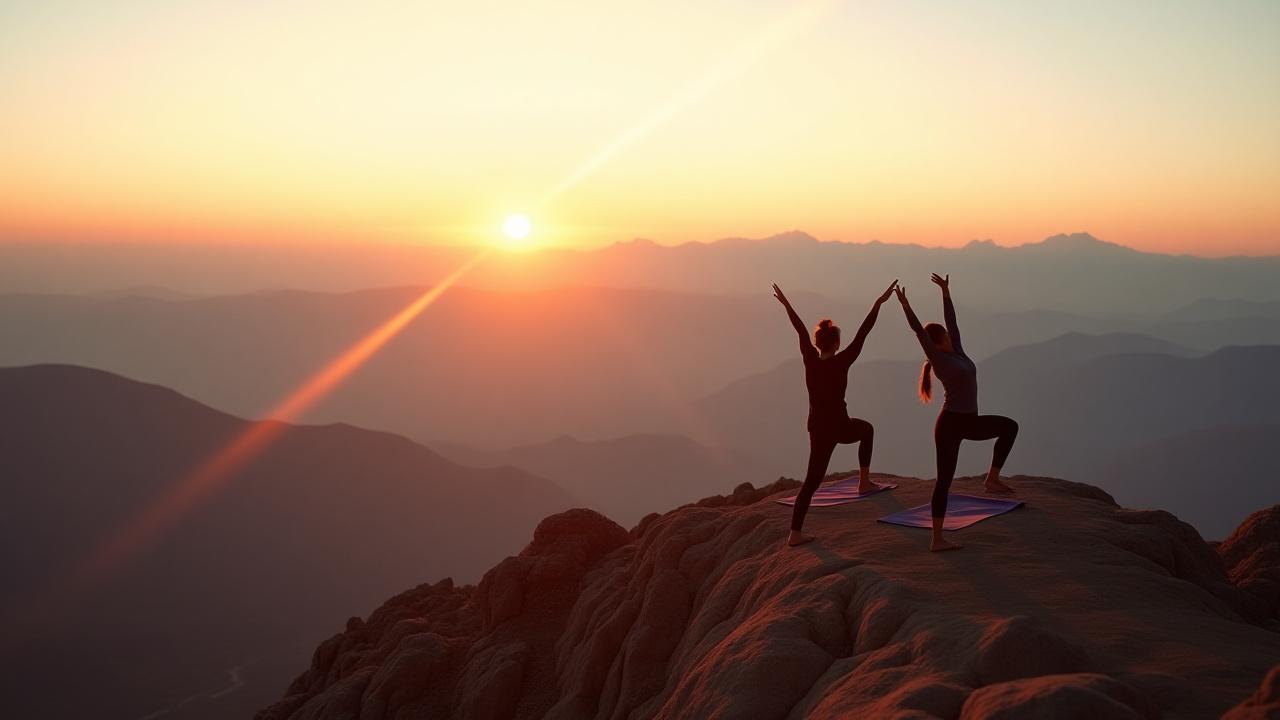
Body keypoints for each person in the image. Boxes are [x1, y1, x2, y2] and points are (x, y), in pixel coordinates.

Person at [894, 274, 1018, 552]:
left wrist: (946, 293)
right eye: (946, 336)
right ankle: (937, 539)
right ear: (937, 344)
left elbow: (952, 322)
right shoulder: (939, 359)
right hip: (949, 425)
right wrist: (905, 304)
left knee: (1009, 427)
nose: (951, 335)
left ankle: (992, 479)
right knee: (944, 481)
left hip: (969, 422)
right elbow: (918, 332)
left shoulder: (958, 351)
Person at [773, 280, 898, 547]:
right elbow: (864, 332)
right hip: (841, 426)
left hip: (818, 428)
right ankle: (864, 482)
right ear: (837, 343)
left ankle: (795, 532)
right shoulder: (843, 360)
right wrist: (878, 303)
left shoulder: (810, 359)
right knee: (867, 430)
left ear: (818, 343)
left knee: (812, 480)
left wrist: (786, 305)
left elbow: (800, 331)